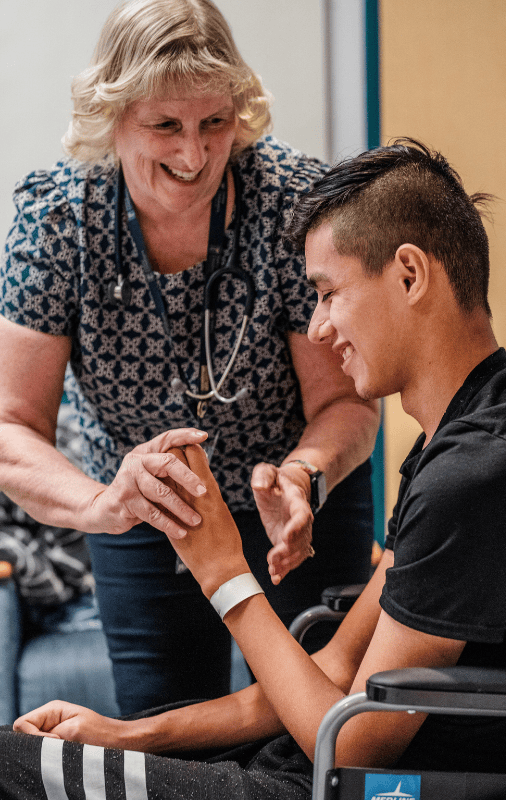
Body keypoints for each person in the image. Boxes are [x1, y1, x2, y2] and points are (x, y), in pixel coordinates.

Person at [1, 137, 506, 799]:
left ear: (409, 276)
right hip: (298, 768)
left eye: (327, 292)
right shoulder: (462, 442)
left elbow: (354, 746)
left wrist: (224, 573)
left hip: (345, 787)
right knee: (36, 755)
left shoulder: (482, 473)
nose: (317, 328)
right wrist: (120, 734)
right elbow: (333, 670)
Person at [0, 0, 380, 715]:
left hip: (297, 506)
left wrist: (303, 476)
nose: (194, 155)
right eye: (164, 126)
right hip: (146, 512)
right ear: (110, 118)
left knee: (316, 718)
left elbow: (347, 402)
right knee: (161, 721)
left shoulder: (295, 204)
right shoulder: (58, 220)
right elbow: (11, 427)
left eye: (215, 122)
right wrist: (104, 503)